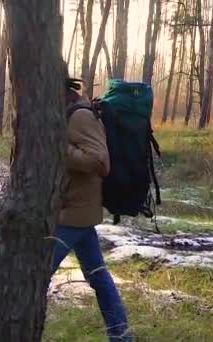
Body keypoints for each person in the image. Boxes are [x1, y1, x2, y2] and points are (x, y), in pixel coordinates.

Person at [50, 77, 132, 341]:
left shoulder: (80, 117)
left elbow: (100, 163)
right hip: (77, 212)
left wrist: (59, 149)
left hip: (73, 214)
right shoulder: (69, 114)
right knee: (98, 276)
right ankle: (122, 336)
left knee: (33, 275)